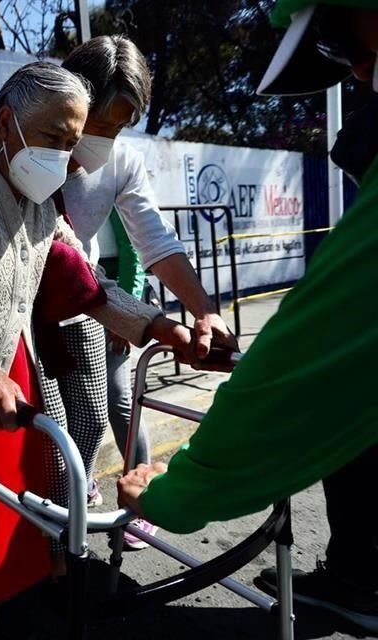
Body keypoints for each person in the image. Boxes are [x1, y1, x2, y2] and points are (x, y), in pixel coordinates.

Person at [0, 62, 199, 605]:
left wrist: (157, 325)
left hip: (10, 363)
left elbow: (83, 278)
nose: (67, 157)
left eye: (74, 141)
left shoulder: (36, 186)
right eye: (53, 137)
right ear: (6, 121)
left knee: (5, 513)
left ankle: (4, 587)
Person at [118, 1, 378, 632]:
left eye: (342, 42)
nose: (359, 75)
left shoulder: (121, 163)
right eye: (339, 54)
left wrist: (178, 491)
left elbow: (312, 360)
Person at [31, 36, 237, 563]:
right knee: (53, 442)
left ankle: (62, 530)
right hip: (20, 311)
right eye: (99, 124)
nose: (104, 140)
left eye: (119, 128)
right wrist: (148, 322)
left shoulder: (121, 162)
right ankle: (53, 554)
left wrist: (203, 310)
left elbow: (156, 244)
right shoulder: (23, 136)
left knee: (91, 421)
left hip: (84, 299)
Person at [99, 207, 155, 550]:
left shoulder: (111, 166)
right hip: (73, 287)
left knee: (119, 396)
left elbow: (133, 248)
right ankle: (85, 484)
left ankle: (144, 493)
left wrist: (127, 311)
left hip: (113, 290)